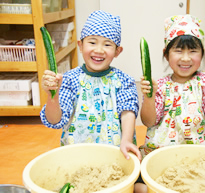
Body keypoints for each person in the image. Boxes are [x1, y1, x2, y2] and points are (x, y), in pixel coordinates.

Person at [135, 14, 205, 192]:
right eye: (178, 51)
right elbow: (149, 122)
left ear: (202, 54)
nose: (186, 58)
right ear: (166, 54)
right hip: (161, 155)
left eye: (193, 51)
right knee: (139, 187)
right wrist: (149, 96)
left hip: (200, 155)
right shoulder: (161, 85)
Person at [40, 10, 142, 161]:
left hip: (115, 155)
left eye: (107, 44)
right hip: (77, 156)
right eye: (92, 42)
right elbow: (55, 121)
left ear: (117, 51)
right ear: (80, 46)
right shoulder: (69, 80)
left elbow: (128, 113)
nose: (99, 50)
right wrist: (52, 96)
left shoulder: (124, 81)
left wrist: (126, 140)